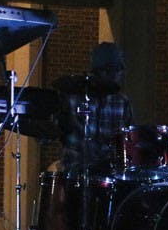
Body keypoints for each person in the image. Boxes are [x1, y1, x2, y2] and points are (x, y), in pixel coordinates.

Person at [57, 42, 133, 176]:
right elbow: (56, 130)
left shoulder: (122, 102)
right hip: (75, 171)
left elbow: (130, 140)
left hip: (108, 175)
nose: (118, 75)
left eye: (119, 70)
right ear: (100, 72)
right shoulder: (74, 98)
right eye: (114, 70)